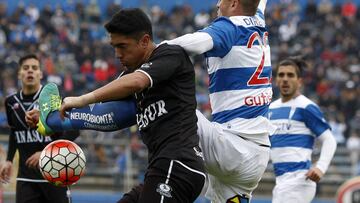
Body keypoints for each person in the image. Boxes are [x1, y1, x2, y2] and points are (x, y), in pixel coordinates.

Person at [27, 1, 274, 202]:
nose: (216, 6)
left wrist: (156, 55)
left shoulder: (225, 28)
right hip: (250, 162)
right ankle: (57, 121)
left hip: (224, 147)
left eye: (220, 1)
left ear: (233, 3)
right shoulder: (258, 20)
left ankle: (57, 120)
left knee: (168, 102)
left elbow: (190, 44)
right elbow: (117, 117)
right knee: (145, 105)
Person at [39, 8, 206, 203]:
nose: (117, 54)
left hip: (178, 164)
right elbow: (106, 117)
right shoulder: (129, 76)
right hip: (160, 169)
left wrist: (82, 98)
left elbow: (137, 82)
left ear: (144, 41)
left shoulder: (169, 55)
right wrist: (55, 122)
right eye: (114, 46)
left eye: (123, 46)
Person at [0, 54, 78, 203]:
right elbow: (14, 132)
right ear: (19, 73)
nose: (30, 71)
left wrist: (45, 153)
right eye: (26, 68)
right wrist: (9, 160)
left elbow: (74, 130)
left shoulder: (53, 99)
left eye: (34, 68)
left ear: (41, 74)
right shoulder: (11, 102)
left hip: (54, 174)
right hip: (25, 178)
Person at [268, 56, 337, 203]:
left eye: (290, 75)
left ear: (299, 81)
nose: (285, 79)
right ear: (276, 80)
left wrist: (320, 167)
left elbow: (329, 140)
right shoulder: (271, 108)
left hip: (299, 180)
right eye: (281, 75)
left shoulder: (306, 107)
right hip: (281, 181)